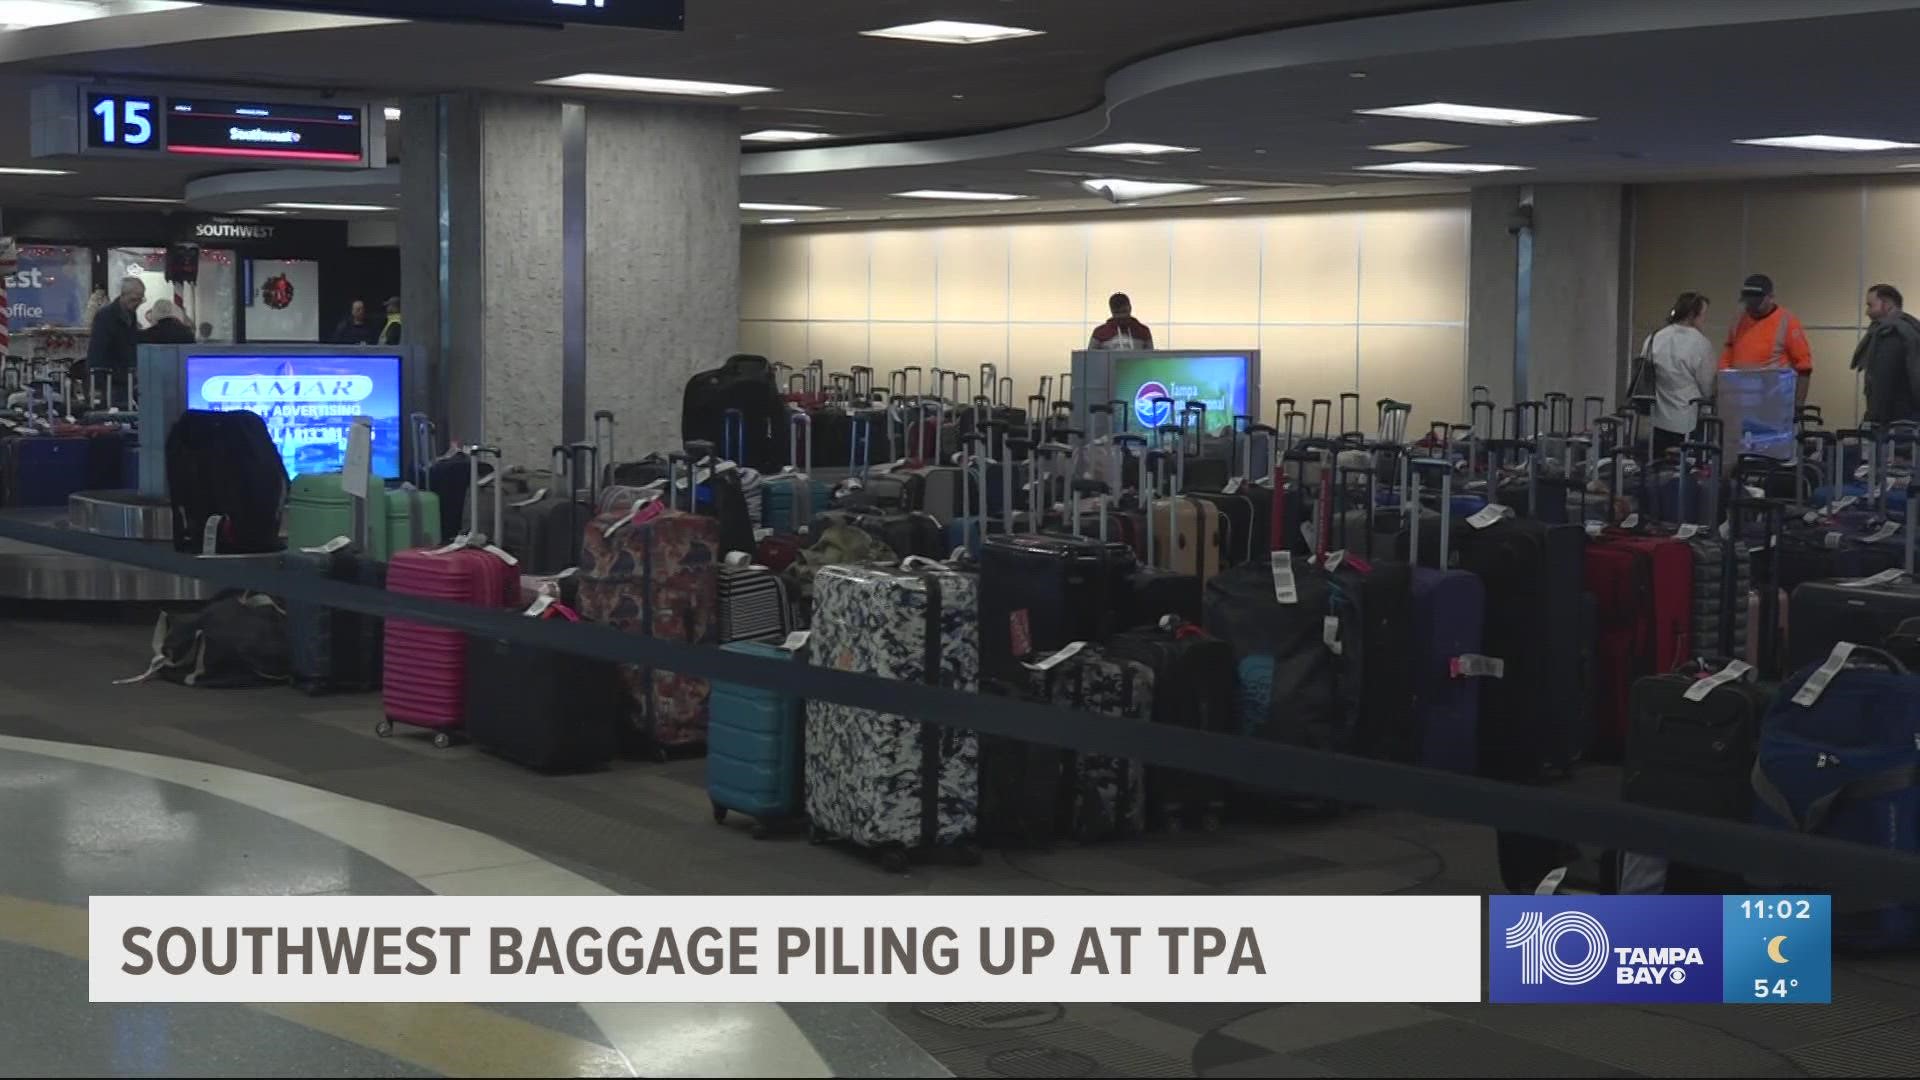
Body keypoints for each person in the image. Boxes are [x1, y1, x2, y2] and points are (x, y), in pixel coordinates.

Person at [1720, 273, 1813, 407]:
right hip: (1741, 401)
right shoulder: (1739, 320)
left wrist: (1798, 407)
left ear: (1770, 298)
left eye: (1757, 303)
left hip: (1774, 403)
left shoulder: (1787, 321)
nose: (1752, 307)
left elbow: (1804, 368)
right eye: (1748, 302)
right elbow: (1727, 358)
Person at [1642, 292, 1718, 453]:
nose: (1704, 319)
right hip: (1688, 420)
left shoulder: (1654, 338)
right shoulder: (1700, 343)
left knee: (1656, 467)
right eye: (1703, 315)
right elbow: (1707, 386)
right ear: (1692, 315)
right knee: (1687, 468)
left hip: (1657, 418)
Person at [1853, 283, 1920, 424]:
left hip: (1895, 423)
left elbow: (1883, 384)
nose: (1867, 312)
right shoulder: (1910, 329)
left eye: (1871, 305)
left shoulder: (1890, 335)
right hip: (1909, 419)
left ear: (1887, 304)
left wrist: (1873, 419)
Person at [84, 276, 145, 375]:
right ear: (123, 295)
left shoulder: (131, 314)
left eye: (140, 300)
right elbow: (98, 351)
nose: (137, 304)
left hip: (126, 374)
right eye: (133, 299)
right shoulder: (105, 315)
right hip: (109, 375)